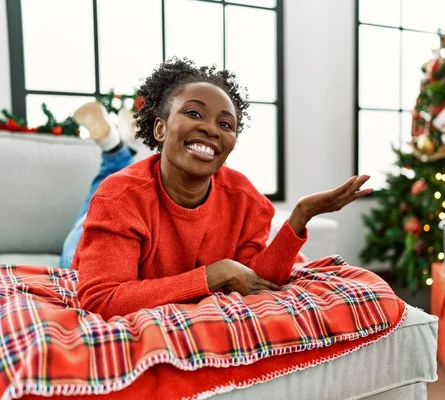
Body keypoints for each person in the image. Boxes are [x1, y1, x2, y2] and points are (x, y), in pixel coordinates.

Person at [67, 58, 372, 320]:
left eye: (225, 124)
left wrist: (302, 215)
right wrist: (214, 274)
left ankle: (117, 152)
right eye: (194, 114)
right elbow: (101, 300)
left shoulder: (243, 197)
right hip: (88, 240)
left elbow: (256, 280)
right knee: (90, 216)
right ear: (160, 128)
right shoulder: (118, 198)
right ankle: (115, 153)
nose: (211, 129)